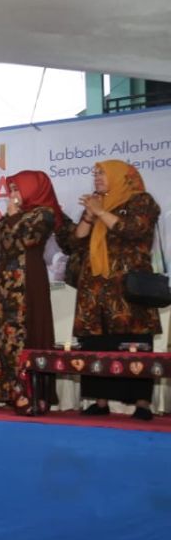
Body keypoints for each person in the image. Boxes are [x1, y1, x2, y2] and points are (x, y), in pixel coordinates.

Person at [61, 160, 162, 420]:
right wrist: (89, 214)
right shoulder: (97, 203)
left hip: (127, 288)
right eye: (95, 173)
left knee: (135, 342)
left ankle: (142, 404)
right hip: (95, 289)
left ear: (119, 176)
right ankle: (100, 401)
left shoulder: (142, 200)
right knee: (97, 343)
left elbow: (133, 229)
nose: (96, 177)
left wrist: (101, 212)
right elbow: (74, 241)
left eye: (102, 173)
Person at [0, 170, 60, 407]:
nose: (13, 194)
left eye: (17, 189)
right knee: (3, 335)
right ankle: (6, 391)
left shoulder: (44, 214)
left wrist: (12, 217)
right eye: (11, 190)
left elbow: (27, 240)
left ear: (31, 189)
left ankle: (31, 392)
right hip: (5, 283)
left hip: (28, 281)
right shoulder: (13, 215)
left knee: (27, 332)